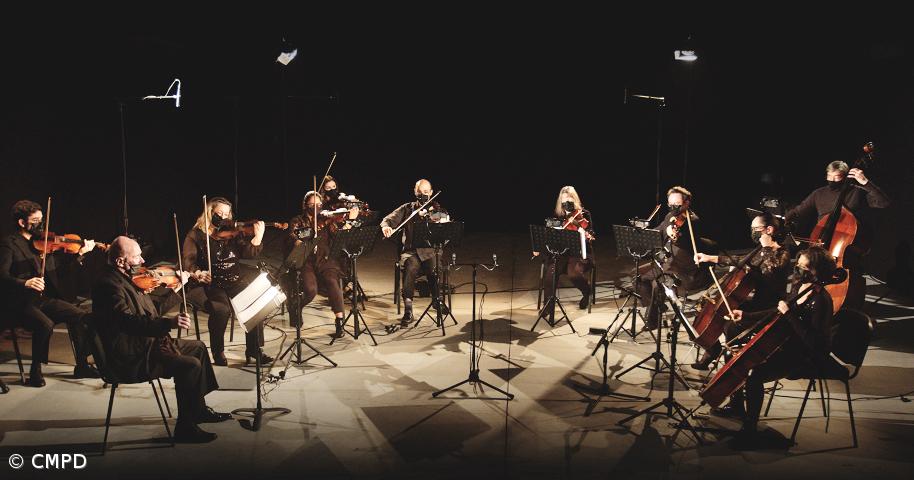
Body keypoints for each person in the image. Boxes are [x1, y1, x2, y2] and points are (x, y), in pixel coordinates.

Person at [93, 236, 231, 443]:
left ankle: (198, 410)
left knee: (199, 348)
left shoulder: (128, 278)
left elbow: (152, 311)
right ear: (121, 261)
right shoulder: (109, 286)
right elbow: (129, 323)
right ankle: (185, 428)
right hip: (131, 355)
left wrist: (177, 290)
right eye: (137, 256)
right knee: (190, 365)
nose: (142, 261)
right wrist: (169, 324)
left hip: (145, 343)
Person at [691, 213, 792, 419]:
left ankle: (736, 399)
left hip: (764, 312)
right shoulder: (759, 251)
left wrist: (759, 255)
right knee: (729, 334)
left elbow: (769, 273)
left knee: (733, 343)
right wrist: (710, 257)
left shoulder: (782, 254)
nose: (752, 232)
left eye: (756, 228)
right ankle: (733, 395)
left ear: (769, 230)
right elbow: (738, 259)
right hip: (751, 306)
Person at [732, 246, 836, 446]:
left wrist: (789, 314)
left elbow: (814, 343)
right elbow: (778, 312)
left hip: (806, 356)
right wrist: (746, 316)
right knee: (740, 354)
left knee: (754, 374)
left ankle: (750, 430)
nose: (799, 270)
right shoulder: (800, 286)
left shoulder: (822, 300)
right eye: (798, 266)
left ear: (818, 271)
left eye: (805, 267)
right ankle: (737, 408)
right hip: (789, 346)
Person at [0, 200, 99, 387]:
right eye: (36, 220)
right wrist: (25, 282)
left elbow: (57, 274)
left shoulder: (43, 243)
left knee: (81, 317)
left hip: (43, 299)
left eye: (42, 219)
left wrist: (80, 255)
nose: (42, 224)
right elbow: (1, 275)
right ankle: (35, 372)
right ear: (22, 223)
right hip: (20, 302)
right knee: (45, 324)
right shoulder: (9, 244)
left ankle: (82, 365)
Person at [785, 160, 890, 310]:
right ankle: (794, 306)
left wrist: (865, 182)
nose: (833, 180)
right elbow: (799, 211)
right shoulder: (819, 193)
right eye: (830, 176)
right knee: (802, 266)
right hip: (821, 243)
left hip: (843, 247)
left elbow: (883, 202)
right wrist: (784, 218)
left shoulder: (857, 191)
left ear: (846, 176)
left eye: (837, 177)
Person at [181, 197, 270, 366]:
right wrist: (198, 272)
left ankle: (253, 350)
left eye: (226, 214)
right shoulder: (196, 235)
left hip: (233, 279)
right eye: (219, 213)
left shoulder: (233, 233)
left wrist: (257, 238)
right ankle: (218, 351)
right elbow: (188, 261)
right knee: (221, 309)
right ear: (209, 213)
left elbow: (248, 254)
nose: (222, 217)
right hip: (209, 282)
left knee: (255, 303)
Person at [636, 186, 712, 330]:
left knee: (657, 285)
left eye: (677, 205)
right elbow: (659, 230)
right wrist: (644, 231)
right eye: (670, 205)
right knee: (639, 279)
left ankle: (652, 321)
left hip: (684, 270)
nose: (673, 208)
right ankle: (659, 306)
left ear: (687, 203)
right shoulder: (669, 217)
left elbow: (682, 238)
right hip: (667, 264)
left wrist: (674, 234)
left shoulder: (693, 222)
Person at [381, 179, 451, 327]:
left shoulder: (438, 211)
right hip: (411, 251)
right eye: (420, 193)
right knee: (411, 267)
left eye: (426, 192)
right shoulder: (407, 209)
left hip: (430, 251)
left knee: (433, 268)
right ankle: (408, 309)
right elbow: (387, 220)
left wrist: (443, 225)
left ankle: (436, 301)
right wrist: (386, 227)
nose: (423, 195)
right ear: (415, 193)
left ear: (431, 193)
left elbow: (447, 233)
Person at [284, 191, 346, 337]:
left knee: (332, 281)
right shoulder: (298, 220)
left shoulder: (326, 219)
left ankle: (339, 322)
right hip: (306, 261)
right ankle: (296, 305)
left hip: (325, 259)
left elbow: (337, 234)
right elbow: (292, 234)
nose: (316, 207)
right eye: (312, 205)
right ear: (305, 205)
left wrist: (343, 224)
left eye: (319, 204)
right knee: (311, 290)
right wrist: (297, 240)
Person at [534, 186, 594, 310]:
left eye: (570, 197)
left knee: (574, 274)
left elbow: (591, 231)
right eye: (564, 198)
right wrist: (539, 246)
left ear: (575, 199)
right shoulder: (557, 215)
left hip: (579, 254)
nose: (567, 201)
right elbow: (548, 234)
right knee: (551, 273)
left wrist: (587, 234)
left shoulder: (583, 214)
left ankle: (587, 292)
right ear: (560, 201)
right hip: (560, 254)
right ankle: (548, 307)